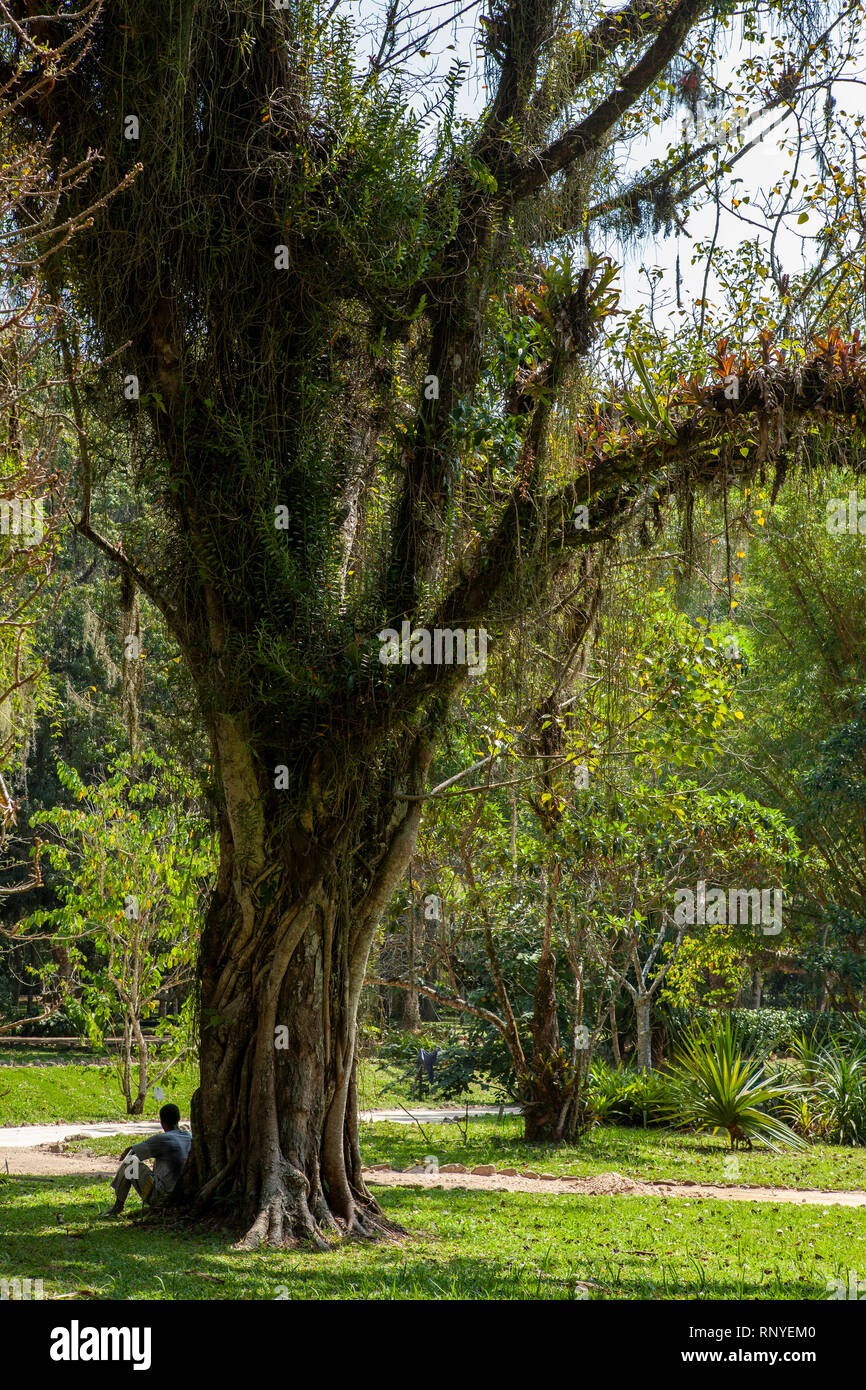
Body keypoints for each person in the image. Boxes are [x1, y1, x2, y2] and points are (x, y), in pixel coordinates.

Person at [102, 1103, 192, 1217]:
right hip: (186, 1195)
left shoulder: (162, 1139)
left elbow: (131, 1152)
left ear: (162, 1122)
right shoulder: (189, 1136)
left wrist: (125, 1154)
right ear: (179, 1119)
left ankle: (117, 1207)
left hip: (162, 1196)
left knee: (130, 1162)